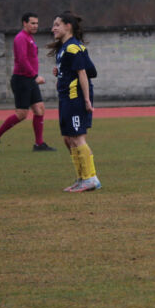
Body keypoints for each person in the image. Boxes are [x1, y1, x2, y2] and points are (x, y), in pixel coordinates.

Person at [0, 13, 56, 153]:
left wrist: (33, 77)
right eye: (32, 23)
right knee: (22, 114)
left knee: (40, 109)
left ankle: (39, 144)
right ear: (24, 23)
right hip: (22, 80)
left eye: (37, 23)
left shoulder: (30, 38)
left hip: (29, 80)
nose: (35, 26)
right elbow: (22, 60)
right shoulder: (20, 38)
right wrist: (35, 76)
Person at [47, 11, 101, 192]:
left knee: (77, 138)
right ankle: (81, 177)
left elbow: (84, 74)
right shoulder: (65, 49)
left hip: (75, 98)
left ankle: (91, 178)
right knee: (67, 139)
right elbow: (92, 70)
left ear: (67, 26)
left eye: (57, 24)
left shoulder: (72, 48)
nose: (53, 28)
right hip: (65, 99)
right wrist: (61, 72)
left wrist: (86, 100)